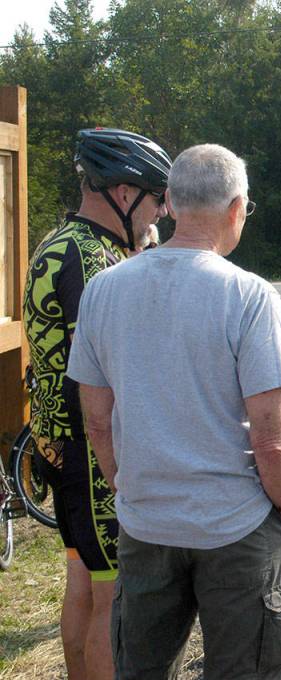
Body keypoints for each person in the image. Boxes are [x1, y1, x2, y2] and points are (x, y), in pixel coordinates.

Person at [67, 144, 281, 679]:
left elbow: (98, 422)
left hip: (146, 521)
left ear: (170, 203)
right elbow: (273, 437)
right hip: (235, 525)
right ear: (237, 208)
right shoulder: (249, 294)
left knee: (143, 668)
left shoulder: (104, 289)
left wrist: (129, 486)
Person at [23, 127, 170, 680]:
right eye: (156, 201)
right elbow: (122, 367)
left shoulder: (63, 243)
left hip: (61, 444)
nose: (160, 215)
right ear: (125, 193)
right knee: (113, 604)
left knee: (84, 586)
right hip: (92, 450)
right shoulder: (95, 260)